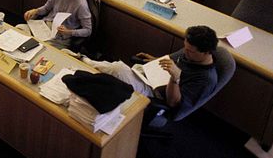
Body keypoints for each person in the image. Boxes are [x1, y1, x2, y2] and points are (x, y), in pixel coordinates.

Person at [80, 25, 219, 116]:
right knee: (115, 70)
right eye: (185, 48)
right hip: (152, 78)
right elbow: (171, 60)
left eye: (190, 51)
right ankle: (87, 65)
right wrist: (155, 60)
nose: (186, 52)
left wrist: (175, 78)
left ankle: (84, 62)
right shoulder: (193, 54)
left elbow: (173, 103)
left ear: (206, 52)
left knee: (118, 69)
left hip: (157, 95)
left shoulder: (206, 79)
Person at [23, 0, 92, 49]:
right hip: (45, 26)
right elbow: (46, 8)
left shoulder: (81, 4)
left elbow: (88, 30)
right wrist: (35, 11)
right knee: (20, 29)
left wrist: (69, 32)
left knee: (39, 48)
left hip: (61, 36)